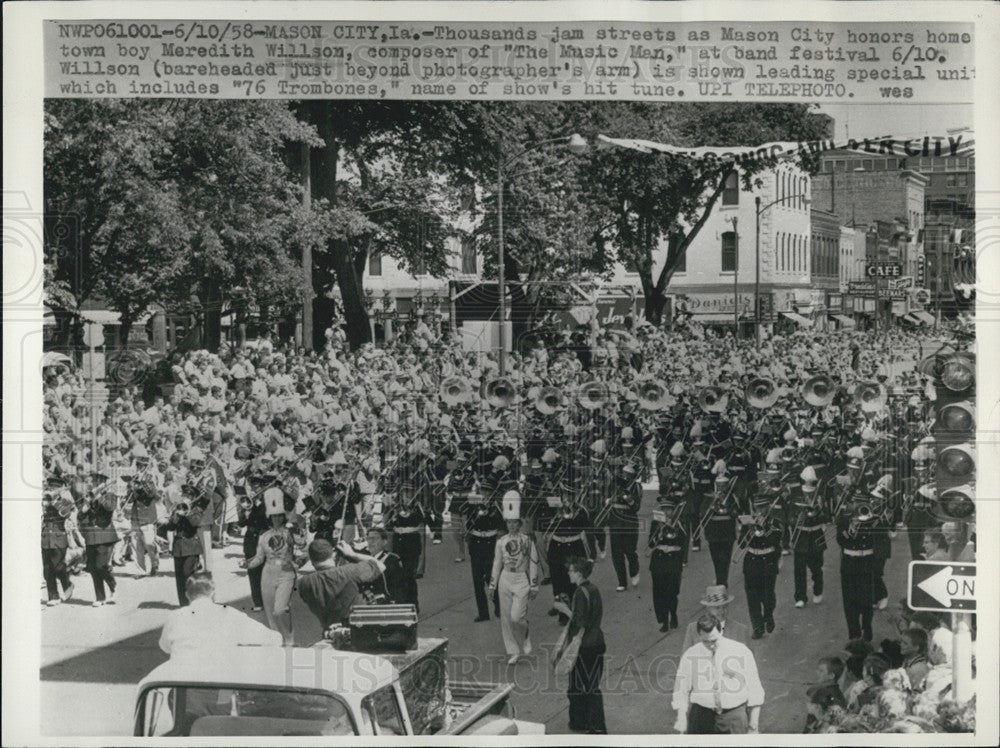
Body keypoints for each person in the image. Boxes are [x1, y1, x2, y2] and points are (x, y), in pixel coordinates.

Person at [672, 612, 764, 735]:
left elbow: (755, 688)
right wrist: (681, 716)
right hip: (701, 717)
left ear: (721, 632)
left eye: (714, 640)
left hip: (733, 717)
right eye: (705, 641)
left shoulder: (740, 651)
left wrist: (753, 725)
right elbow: (681, 688)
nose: (711, 645)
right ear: (699, 635)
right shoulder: (691, 654)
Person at [158, 573, 282, 656]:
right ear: (212, 593)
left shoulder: (175, 617)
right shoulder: (228, 613)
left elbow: (165, 646)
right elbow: (273, 639)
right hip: (219, 684)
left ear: (187, 595)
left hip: (183, 685)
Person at [242, 488, 304, 645]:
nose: (276, 519)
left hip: (286, 572)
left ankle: (289, 640)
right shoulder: (264, 536)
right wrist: (247, 564)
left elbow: (302, 544)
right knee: (270, 612)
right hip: (268, 573)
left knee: (280, 609)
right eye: (273, 516)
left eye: (279, 516)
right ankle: (277, 640)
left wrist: (297, 530)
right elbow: (259, 557)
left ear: (283, 517)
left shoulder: (289, 532)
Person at [553, 556, 607, 735]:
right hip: (597, 641)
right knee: (583, 685)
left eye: (571, 570)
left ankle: (592, 725)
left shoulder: (579, 593)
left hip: (585, 645)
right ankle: (582, 722)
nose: (568, 573)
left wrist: (563, 609)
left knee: (582, 686)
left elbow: (580, 621)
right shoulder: (593, 589)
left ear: (578, 573)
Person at [487, 492, 540, 665]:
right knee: (506, 617)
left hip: (521, 580)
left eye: (514, 522)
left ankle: (525, 635)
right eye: (508, 522)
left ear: (519, 523)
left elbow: (533, 563)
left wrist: (534, 585)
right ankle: (513, 651)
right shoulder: (501, 541)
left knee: (517, 617)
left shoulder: (527, 541)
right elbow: (496, 563)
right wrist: (492, 585)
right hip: (505, 579)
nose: (511, 525)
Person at [297, 539, 385, 631]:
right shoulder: (349, 572)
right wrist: (351, 554)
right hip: (358, 631)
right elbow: (380, 565)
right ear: (334, 555)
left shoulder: (304, 583)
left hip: (330, 632)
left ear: (311, 560)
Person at [648, 490, 687, 632]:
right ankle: (664, 620)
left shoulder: (679, 523)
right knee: (659, 593)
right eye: (663, 509)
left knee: (672, 591)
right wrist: (658, 532)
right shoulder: (656, 523)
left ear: (673, 510)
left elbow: (683, 541)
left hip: (673, 560)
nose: (666, 512)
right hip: (658, 560)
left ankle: (673, 615)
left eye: (668, 509)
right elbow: (651, 544)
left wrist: (674, 526)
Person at [78, 476, 121, 607]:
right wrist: (86, 505)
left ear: (102, 484)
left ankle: (112, 584)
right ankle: (100, 597)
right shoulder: (90, 498)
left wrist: (99, 497)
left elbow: (109, 507)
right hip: (91, 536)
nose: (91, 485)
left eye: (94, 483)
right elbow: (80, 516)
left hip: (105, 535)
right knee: (92, 568)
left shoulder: (110, 495)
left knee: (100, 566)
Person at [463, 488, 504, 622]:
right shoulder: (473, 506)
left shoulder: (496, 508)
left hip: (490, 545)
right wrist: (476, 513)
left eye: (488, 493)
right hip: (476, 545)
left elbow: (500, 525)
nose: (485, 496)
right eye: (484, 493)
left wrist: (488, 513)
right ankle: (483, 613)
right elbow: (468, 524)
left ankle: (498, 606)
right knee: (477, 581)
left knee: (491, 579)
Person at [160, 498, 205, 607]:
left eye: (189, 495)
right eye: (185, 494)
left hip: (191, 547)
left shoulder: (197, 510)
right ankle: (183, 604)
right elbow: (170, 527)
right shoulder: (178, 509)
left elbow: (195, 523)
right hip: (178, 547)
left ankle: (193, 602)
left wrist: (187, 512)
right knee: (180, 578)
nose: (186, 497)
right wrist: (175, 515)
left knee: (188, 575)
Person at [681, 585, 749, 652]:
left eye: (725, 607)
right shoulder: (693, 629)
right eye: (717, 608)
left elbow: (747, 659)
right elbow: (685, 658)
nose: (722, 611)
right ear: (708, 608)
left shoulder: (740, 630)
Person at [41, 484, 75, 605]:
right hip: (46, 537)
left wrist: (55, 501)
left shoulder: (65, 499)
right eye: (49, 488)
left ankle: (67, 584)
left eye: (53, 488)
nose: (50, 490)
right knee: (47, 568)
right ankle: (53, 597)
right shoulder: (43, 499)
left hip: (59, 537)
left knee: (57, 566)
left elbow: (67, 513)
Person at [357, 527, 406, 605]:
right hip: (365, 602)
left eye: (375, 539)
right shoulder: (363, 558)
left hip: (385, 603)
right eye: (369, 538)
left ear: (384, 542)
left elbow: (398, 587)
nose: (371, 542)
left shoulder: (392, 559)